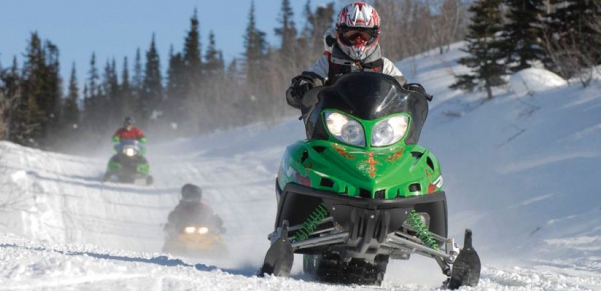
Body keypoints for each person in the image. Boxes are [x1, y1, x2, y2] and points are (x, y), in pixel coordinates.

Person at [286, 2, 427, 109]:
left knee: (414, 149)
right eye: (352, 35)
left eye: (364, 35)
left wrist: (414, 92)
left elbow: (401, 87)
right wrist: (301, 87)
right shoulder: (328, 62)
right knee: (301, 149)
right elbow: (310, 79)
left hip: (378, 127)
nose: (358, 41)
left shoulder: (383, 65)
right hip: (334, 126)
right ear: (339, 33)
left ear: (375, 35)